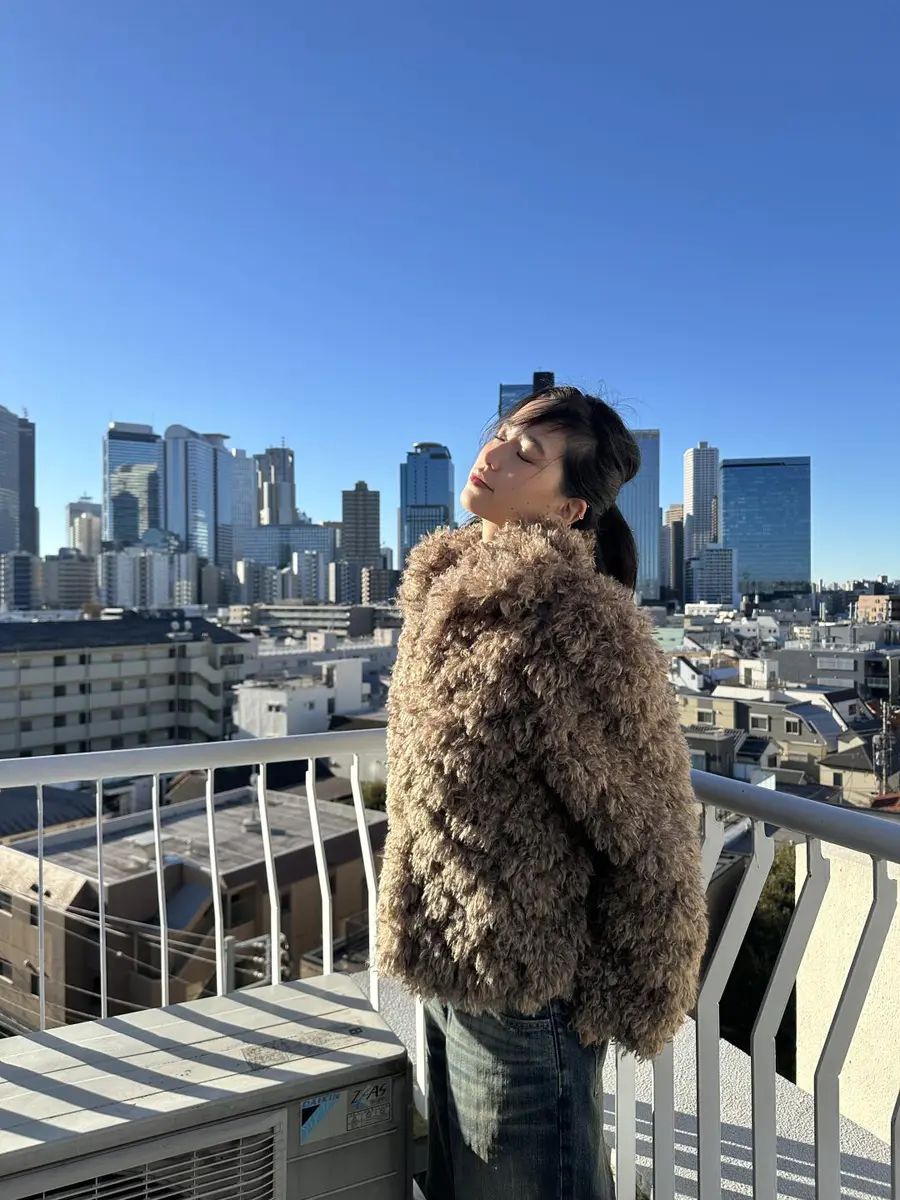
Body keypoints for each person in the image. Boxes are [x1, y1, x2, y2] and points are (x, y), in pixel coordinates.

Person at [377, 386, 708, 1200]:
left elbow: (651, 821)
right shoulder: (448, 595)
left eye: (527, 453)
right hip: (450, 949)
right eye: (502, 435)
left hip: (529, 980)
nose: (493, 453)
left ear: (570, 509)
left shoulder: (577, 621)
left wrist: (642, 985)